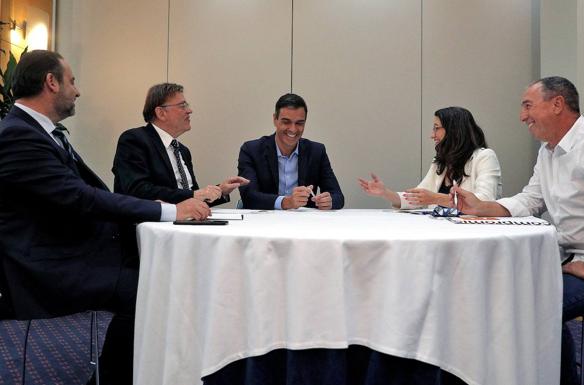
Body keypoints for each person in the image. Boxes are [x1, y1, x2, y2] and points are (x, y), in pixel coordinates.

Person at [0, 50, 209, 385]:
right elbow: (80, 197)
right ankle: (121, 375)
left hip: (75, 247)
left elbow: (85, 194)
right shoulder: (18, 134)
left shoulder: (39, 131)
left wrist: (159, 206)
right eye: (72, 81)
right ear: (50, 82)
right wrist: (169, 209)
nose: (77, 91)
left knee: (160, 275)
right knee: (150, 288)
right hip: (51, 263)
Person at [453, 76, 584, 385]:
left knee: (535, 304)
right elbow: (531, 199)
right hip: (572, 263)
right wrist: (481, 207)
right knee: (509, 295)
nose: (522, 116)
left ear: (557, 104)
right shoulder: (549, 152)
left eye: (528, 105)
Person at [112, 83, 248, 205]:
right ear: (161, 113)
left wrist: (220, 191)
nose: (190, 110)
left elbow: (193, 199)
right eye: (183, 106)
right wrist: (195, 195)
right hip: (148, 226)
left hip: (184, 223)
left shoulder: (182, 151)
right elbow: (138, 190)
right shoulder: (134, 140)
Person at [358, 106, 501, 208]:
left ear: (454, 130)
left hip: (475, 235)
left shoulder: (485, 157)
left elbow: (485, 201)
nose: (432, 135)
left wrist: (435, 198)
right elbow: (418, 198)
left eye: (436, 128)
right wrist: (385, 192)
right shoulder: (440, 162)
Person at [237, 93, 344, 210]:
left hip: (304, 223)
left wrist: (329, 201)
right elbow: (249, 197)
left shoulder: (316, 151)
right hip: (264, 222)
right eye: (286, 122)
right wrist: (285, 202)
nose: (293, 129)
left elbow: (338, 196)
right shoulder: (251, 150)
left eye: (299, 123)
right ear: (275, 119)